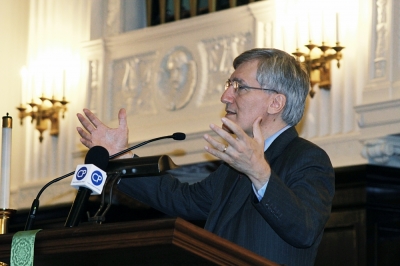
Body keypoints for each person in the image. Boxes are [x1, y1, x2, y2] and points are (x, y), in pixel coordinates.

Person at [76, 48, 335, 266]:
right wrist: (119, 156)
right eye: (229, 85)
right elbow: (179, 198)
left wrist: (260, 173)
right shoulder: (234, 167)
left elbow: (305, 230)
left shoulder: (308, 159)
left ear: (275, 103)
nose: (225, 96)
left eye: (239, 87)